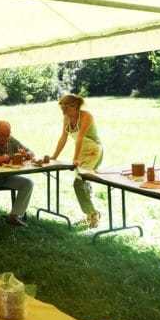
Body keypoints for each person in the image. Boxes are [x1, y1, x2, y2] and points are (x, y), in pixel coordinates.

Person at [51, 94, 103, 228]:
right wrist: (54, 157)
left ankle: (93, 214)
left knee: (79, 184)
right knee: (83, 184)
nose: (62, 109)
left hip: (93, 151)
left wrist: (75, 158)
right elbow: (63, 138)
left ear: (74, 106)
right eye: (61, 106)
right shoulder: (66, 117)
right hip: (81, 152)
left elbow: (79, 138)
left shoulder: (86, 116)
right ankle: (91, 216)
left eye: (65, 106)